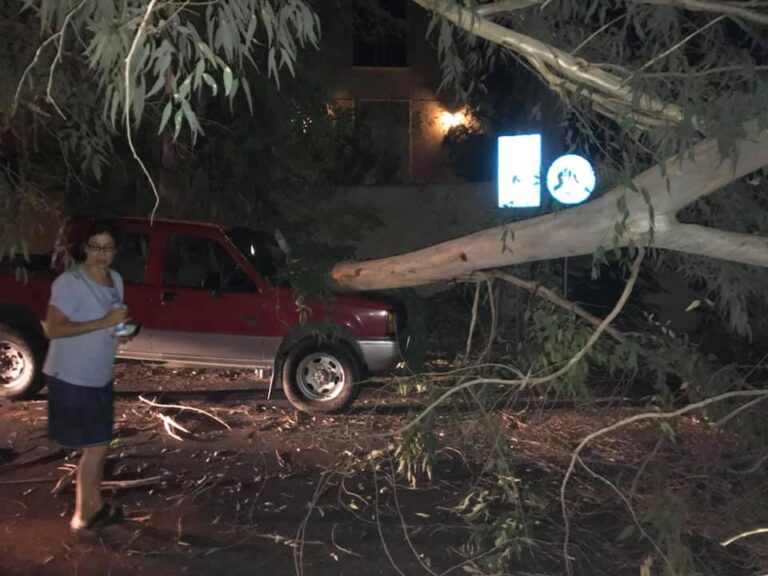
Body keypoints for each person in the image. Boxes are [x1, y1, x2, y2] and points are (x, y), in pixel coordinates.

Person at [43, 220, 131, 535]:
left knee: (101, 445)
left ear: (116, 251)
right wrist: (102, 322)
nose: (101, 254)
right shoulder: (71, 282)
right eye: (95, 246)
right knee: (95, 447)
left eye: (108, 247)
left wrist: (121, 331)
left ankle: (95, 506)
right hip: (71, 376)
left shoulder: (115, 279)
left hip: (99, 375)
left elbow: (116, 317)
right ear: (84, 247)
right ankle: (82, 516)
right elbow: (54, 328)